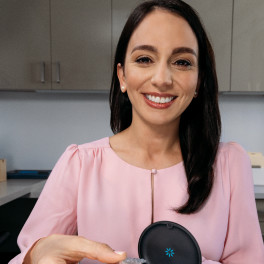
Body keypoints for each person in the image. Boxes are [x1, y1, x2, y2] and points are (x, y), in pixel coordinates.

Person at [9, 0, 264, 263]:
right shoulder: (80, 164)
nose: (162, 78)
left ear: (199, 80)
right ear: (122, 76)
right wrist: (35, 255)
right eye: (144, 59)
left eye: (182, 62)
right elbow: (27, 256)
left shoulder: (229, 164)